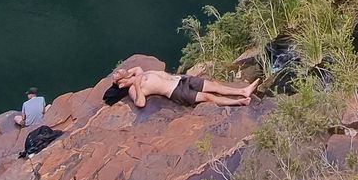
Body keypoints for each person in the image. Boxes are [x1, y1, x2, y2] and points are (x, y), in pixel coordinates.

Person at [109, 65, 257, 109]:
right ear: (121, 84)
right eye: (117, 74)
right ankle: (239, 102)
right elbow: (140, 103)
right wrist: (134, 84)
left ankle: (242, 91)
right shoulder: (133, 89)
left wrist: (127, 75)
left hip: (181, 79)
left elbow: (136, 68)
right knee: (207, 97)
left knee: (214, 85)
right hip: (176, 91)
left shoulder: (137, 73)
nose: (118, 70)